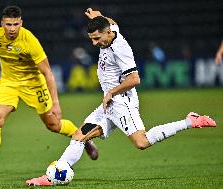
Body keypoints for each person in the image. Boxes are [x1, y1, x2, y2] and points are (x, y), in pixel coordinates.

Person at [26, 8, 217, 186]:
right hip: (109, 103)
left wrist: (111, 92)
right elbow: (112, 22)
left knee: (141, 142)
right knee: (79, 136)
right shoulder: (110, 31)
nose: (94, 43)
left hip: (122, 102)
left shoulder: (120, 49)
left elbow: (134, 79)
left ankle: (190, 121)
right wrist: (99, 16)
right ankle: (51, 176)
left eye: (97, 38)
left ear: (107, 33)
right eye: (92, 39)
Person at [0, 6, 98, 179]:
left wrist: (55, 103)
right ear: (2, 23)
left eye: (16, 24)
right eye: (8, 24)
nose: (12, 29)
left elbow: (47, 72)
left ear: (21, 23)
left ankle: (84, 138)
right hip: (9, 83)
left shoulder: (29, 40)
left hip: (34, 85)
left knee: (53, 125)